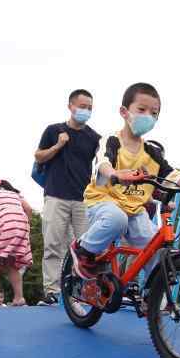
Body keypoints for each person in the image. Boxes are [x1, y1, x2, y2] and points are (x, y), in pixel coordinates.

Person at [68, 82, 180, 283]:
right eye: (141, 110)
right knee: (116, 219)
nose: (148, 116)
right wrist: (116, 174)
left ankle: (153, 294)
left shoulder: (152, 151)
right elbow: (103, 164)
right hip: (103, 201)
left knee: (152, 247)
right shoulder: (113, 141)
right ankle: (83, 249)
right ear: (124, 112)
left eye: (154, 113)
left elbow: (173, 175)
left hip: (134, 209)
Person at [35, 89, 101, 304]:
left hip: (84, 199)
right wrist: (58, 145)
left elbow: (100, 166)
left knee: (86, 249)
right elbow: (39, 156)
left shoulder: (94, 138)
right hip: (56, 195)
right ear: (70, 106)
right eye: (82, 106)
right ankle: (51, 291)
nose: (86, 111)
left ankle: (82, 291)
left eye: (89, 107)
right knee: (52, 245)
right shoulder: (54, 130)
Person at [0, 180, 33, 306]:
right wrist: (27, 225)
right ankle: (19, 297)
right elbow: (28, 209)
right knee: (13, 264)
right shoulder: (15, 195)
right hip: (21, 227)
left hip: (3, 225)